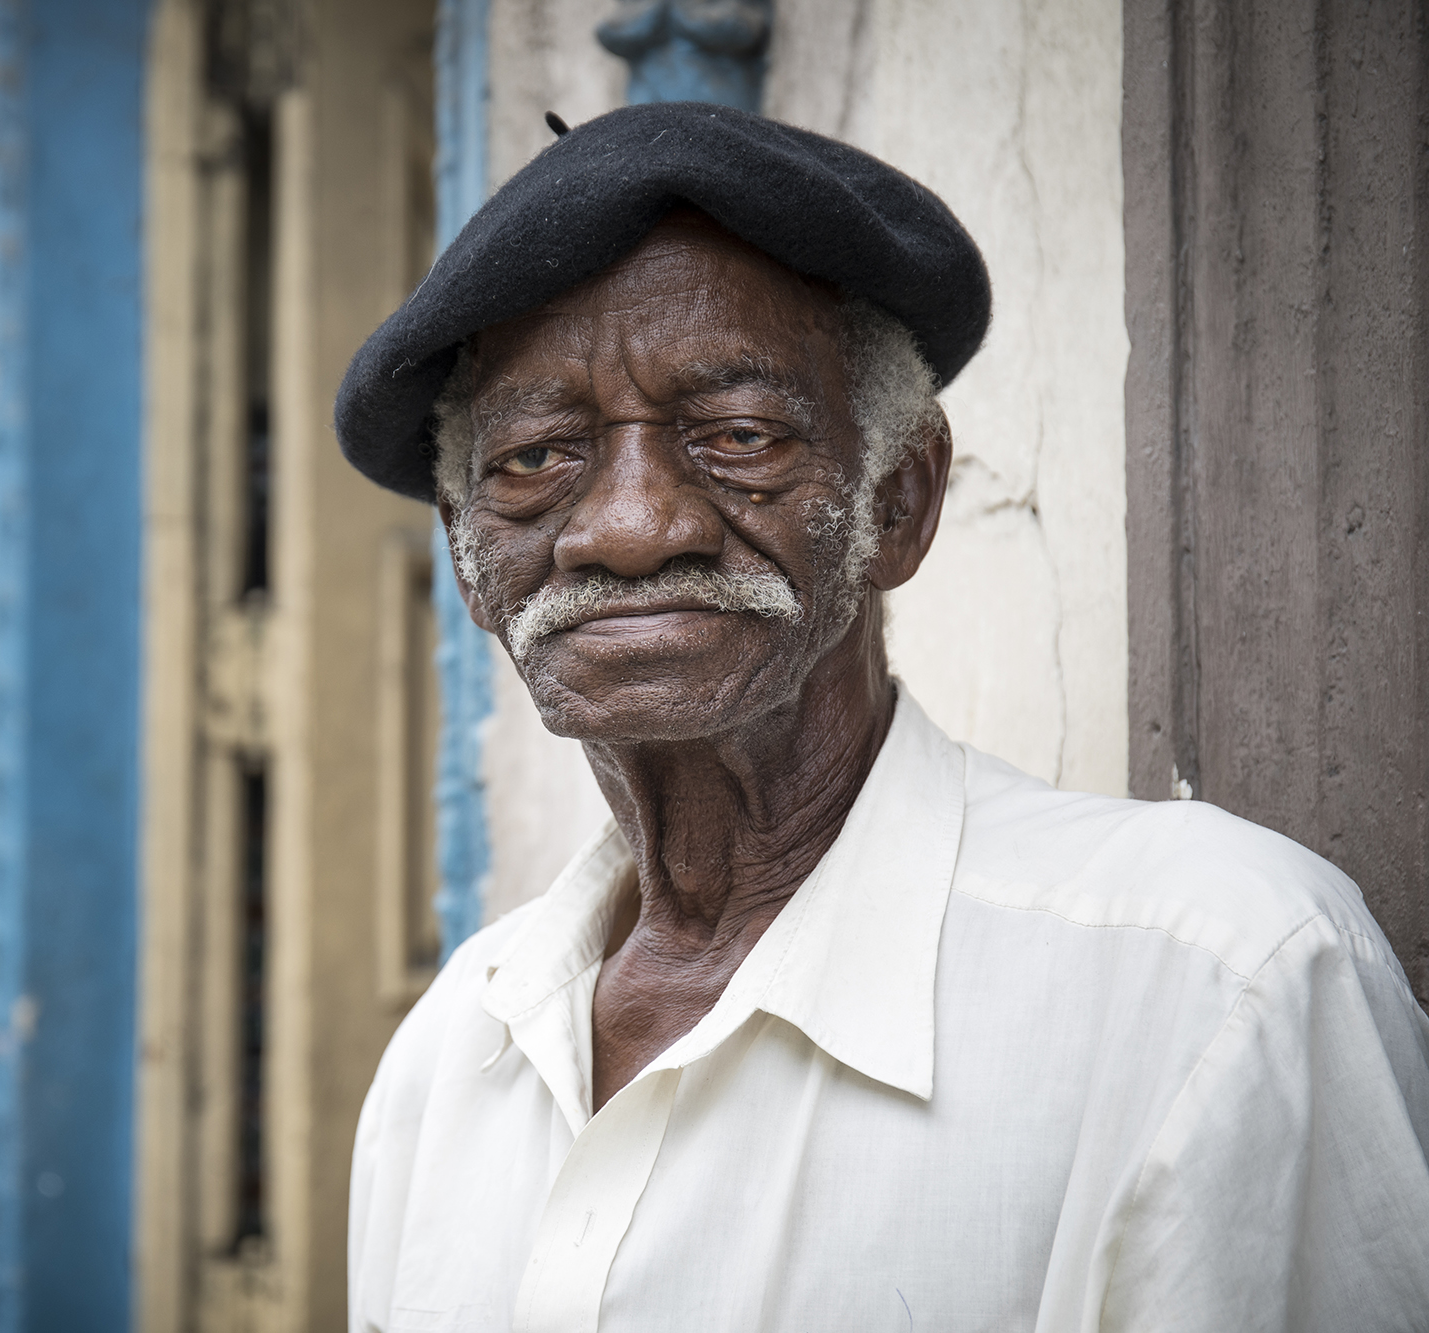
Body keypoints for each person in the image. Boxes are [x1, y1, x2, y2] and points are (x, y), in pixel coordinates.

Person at [332, 101, 1429, 1332]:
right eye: (535, 457)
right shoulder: (450, 1056)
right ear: (465, 553)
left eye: (736, 436)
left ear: (896, 502)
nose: (629, 527)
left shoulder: (1215, 982)